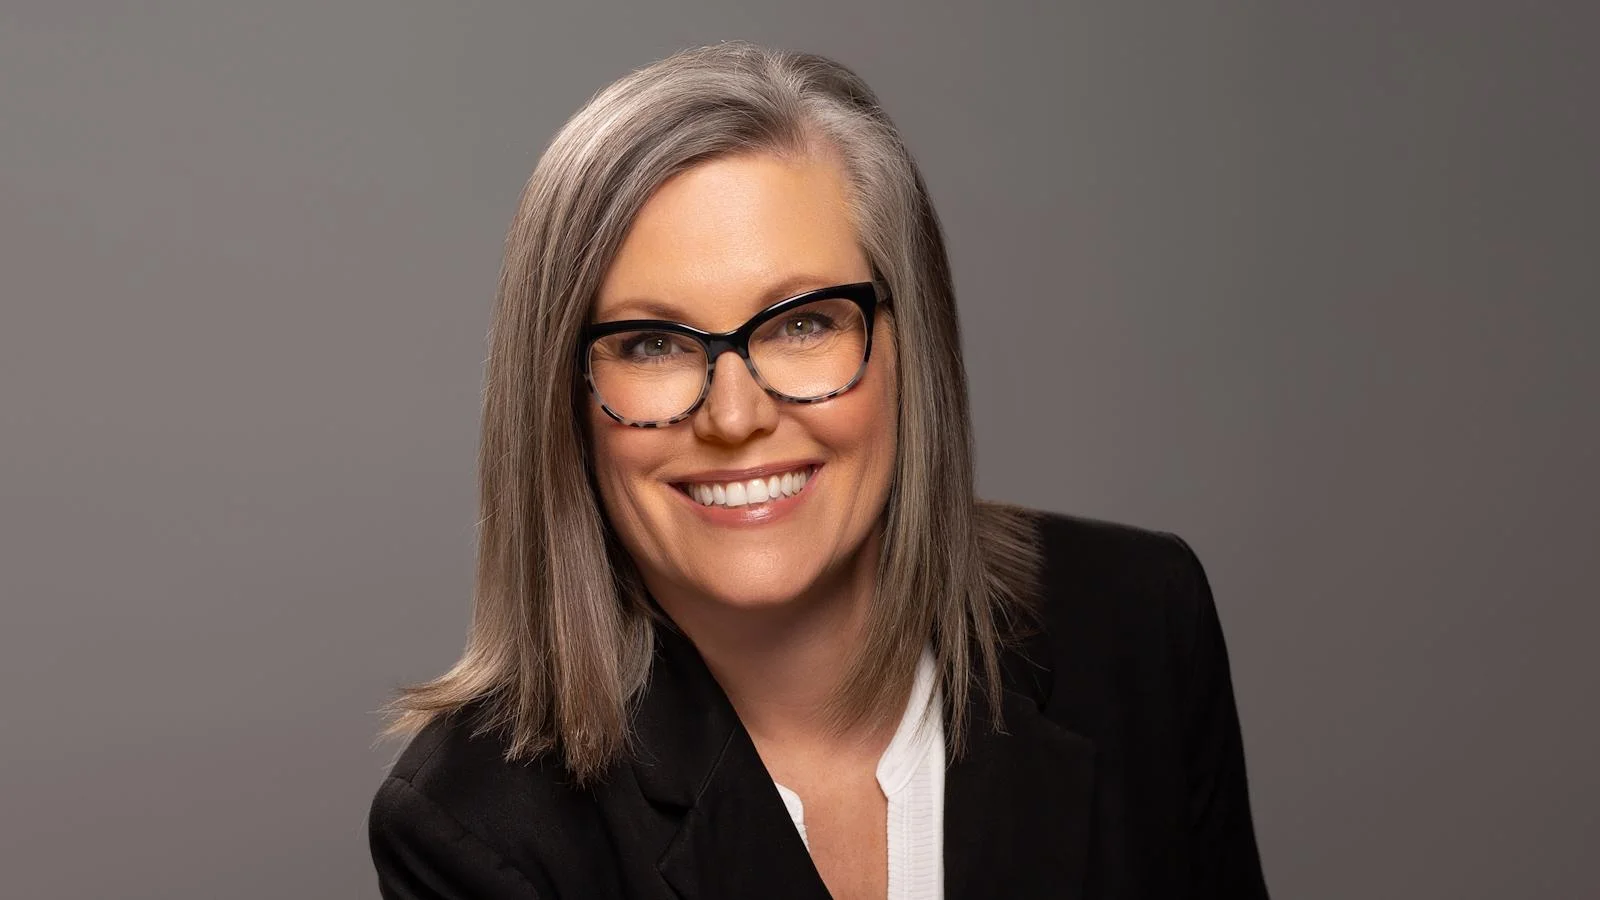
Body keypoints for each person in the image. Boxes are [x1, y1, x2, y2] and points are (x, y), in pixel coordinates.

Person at [367, 41, 1269, 899]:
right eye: (651, 343)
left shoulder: (1139, 625)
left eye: (802, 323)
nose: (734, 418)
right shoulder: (475, 826)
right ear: (562, 398)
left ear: (910, 345)